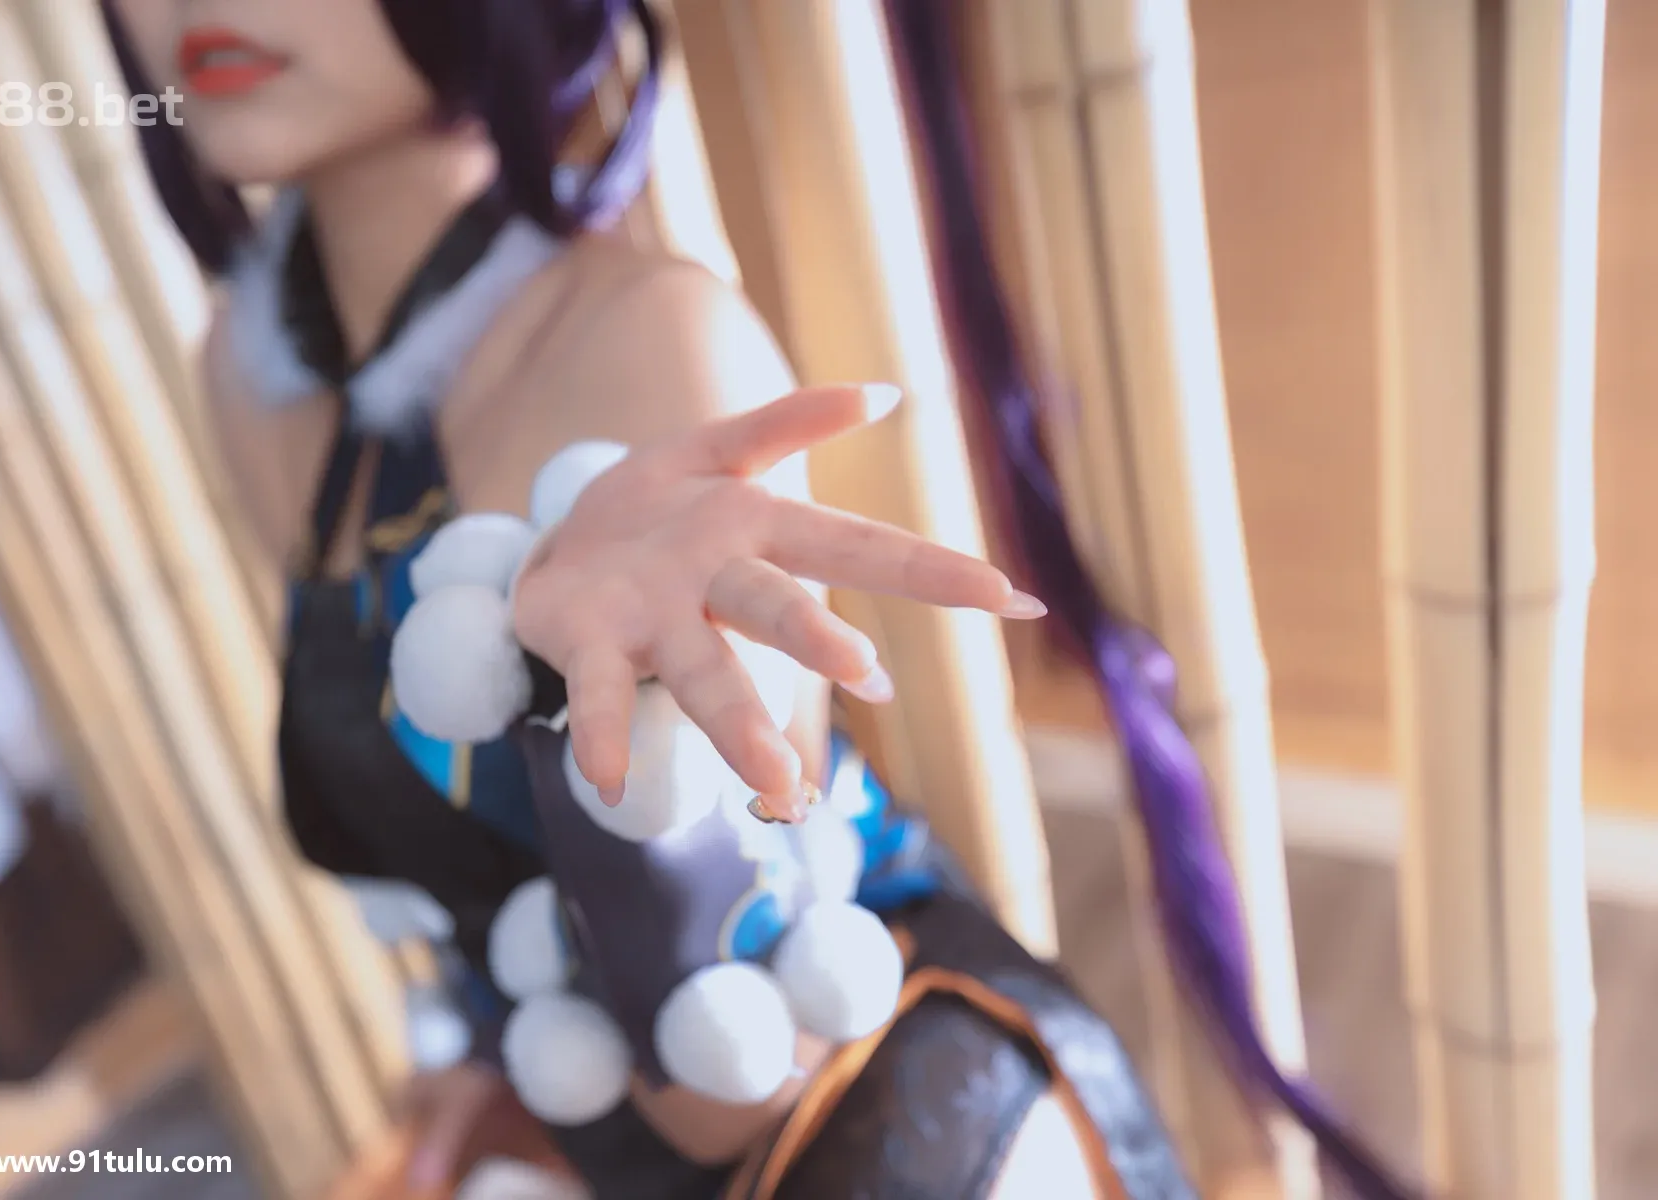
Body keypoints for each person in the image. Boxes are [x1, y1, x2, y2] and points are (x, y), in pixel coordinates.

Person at [104, 1, 1412, 1197]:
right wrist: (491, 1059)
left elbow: (736, 1080)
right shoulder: (252, 383)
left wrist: (628, 733)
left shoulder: (642, 348)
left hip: (873, 1122)